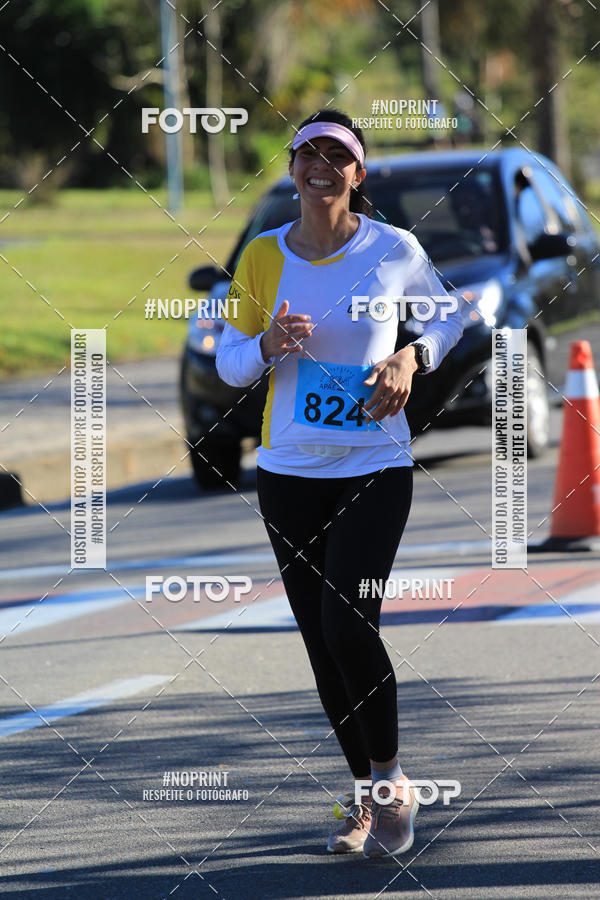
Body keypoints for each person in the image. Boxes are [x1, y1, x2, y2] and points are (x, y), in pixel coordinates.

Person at [216, 108, 464, 858]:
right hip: (289, 472)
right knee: (320, 643)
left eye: (337, 157)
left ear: (358, 173)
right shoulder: (263, 256)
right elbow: (230, 364)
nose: (320, 168)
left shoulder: (394, 249)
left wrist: (411, 356)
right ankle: (364, 795)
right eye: (308, 155)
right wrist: (266, 344)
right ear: (292, 168)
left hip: (374, 466)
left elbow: (448, 317)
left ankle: (391, 783)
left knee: (348, 624)